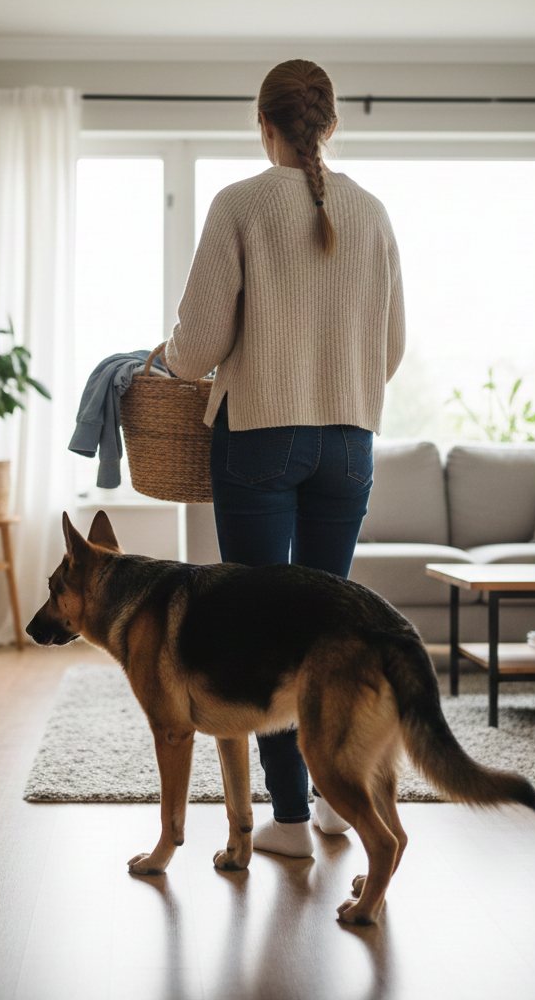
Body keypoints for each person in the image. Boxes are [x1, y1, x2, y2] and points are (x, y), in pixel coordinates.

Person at [163, 59, 405, 858]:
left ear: (264, 125)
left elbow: (195, 351)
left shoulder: (239, 203)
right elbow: (392, 350)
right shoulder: (373, 213)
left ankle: (293, 820)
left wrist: (163, 355)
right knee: (329, 626)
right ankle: (343, 803)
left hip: (261, 436)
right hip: (351, 443)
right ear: (328, 126)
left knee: (262, 631)